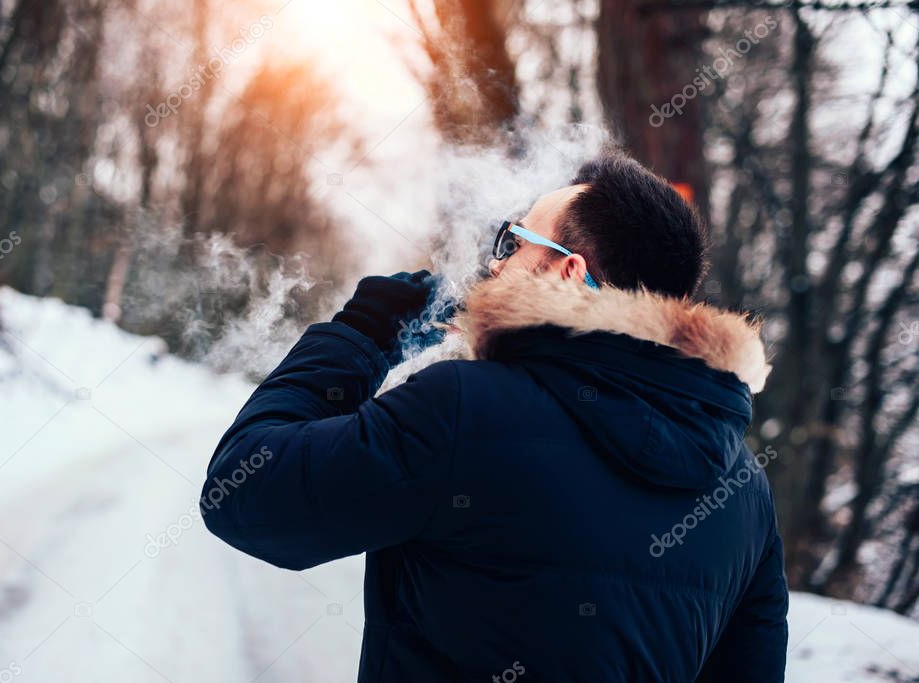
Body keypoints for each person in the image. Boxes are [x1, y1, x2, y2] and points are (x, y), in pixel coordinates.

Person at [200, 152, 789, 682]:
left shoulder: (465, 408)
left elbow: (246, 494)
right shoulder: (744, 488)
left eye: (514, 242)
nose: (495, 265)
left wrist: (362, 333)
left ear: (567, 272)